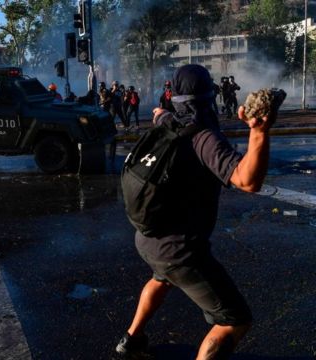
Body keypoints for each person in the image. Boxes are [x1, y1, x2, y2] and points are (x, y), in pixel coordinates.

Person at [116, 64, 275, 360]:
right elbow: (248, 180)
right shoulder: (203, 137)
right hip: (179, 251)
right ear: (209, 96)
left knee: (160, 278)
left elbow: (160, 114)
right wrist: (258, 132)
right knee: (233, 320)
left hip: (147, 238)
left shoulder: (167, 122)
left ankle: (131, 340)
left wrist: (162, 113)